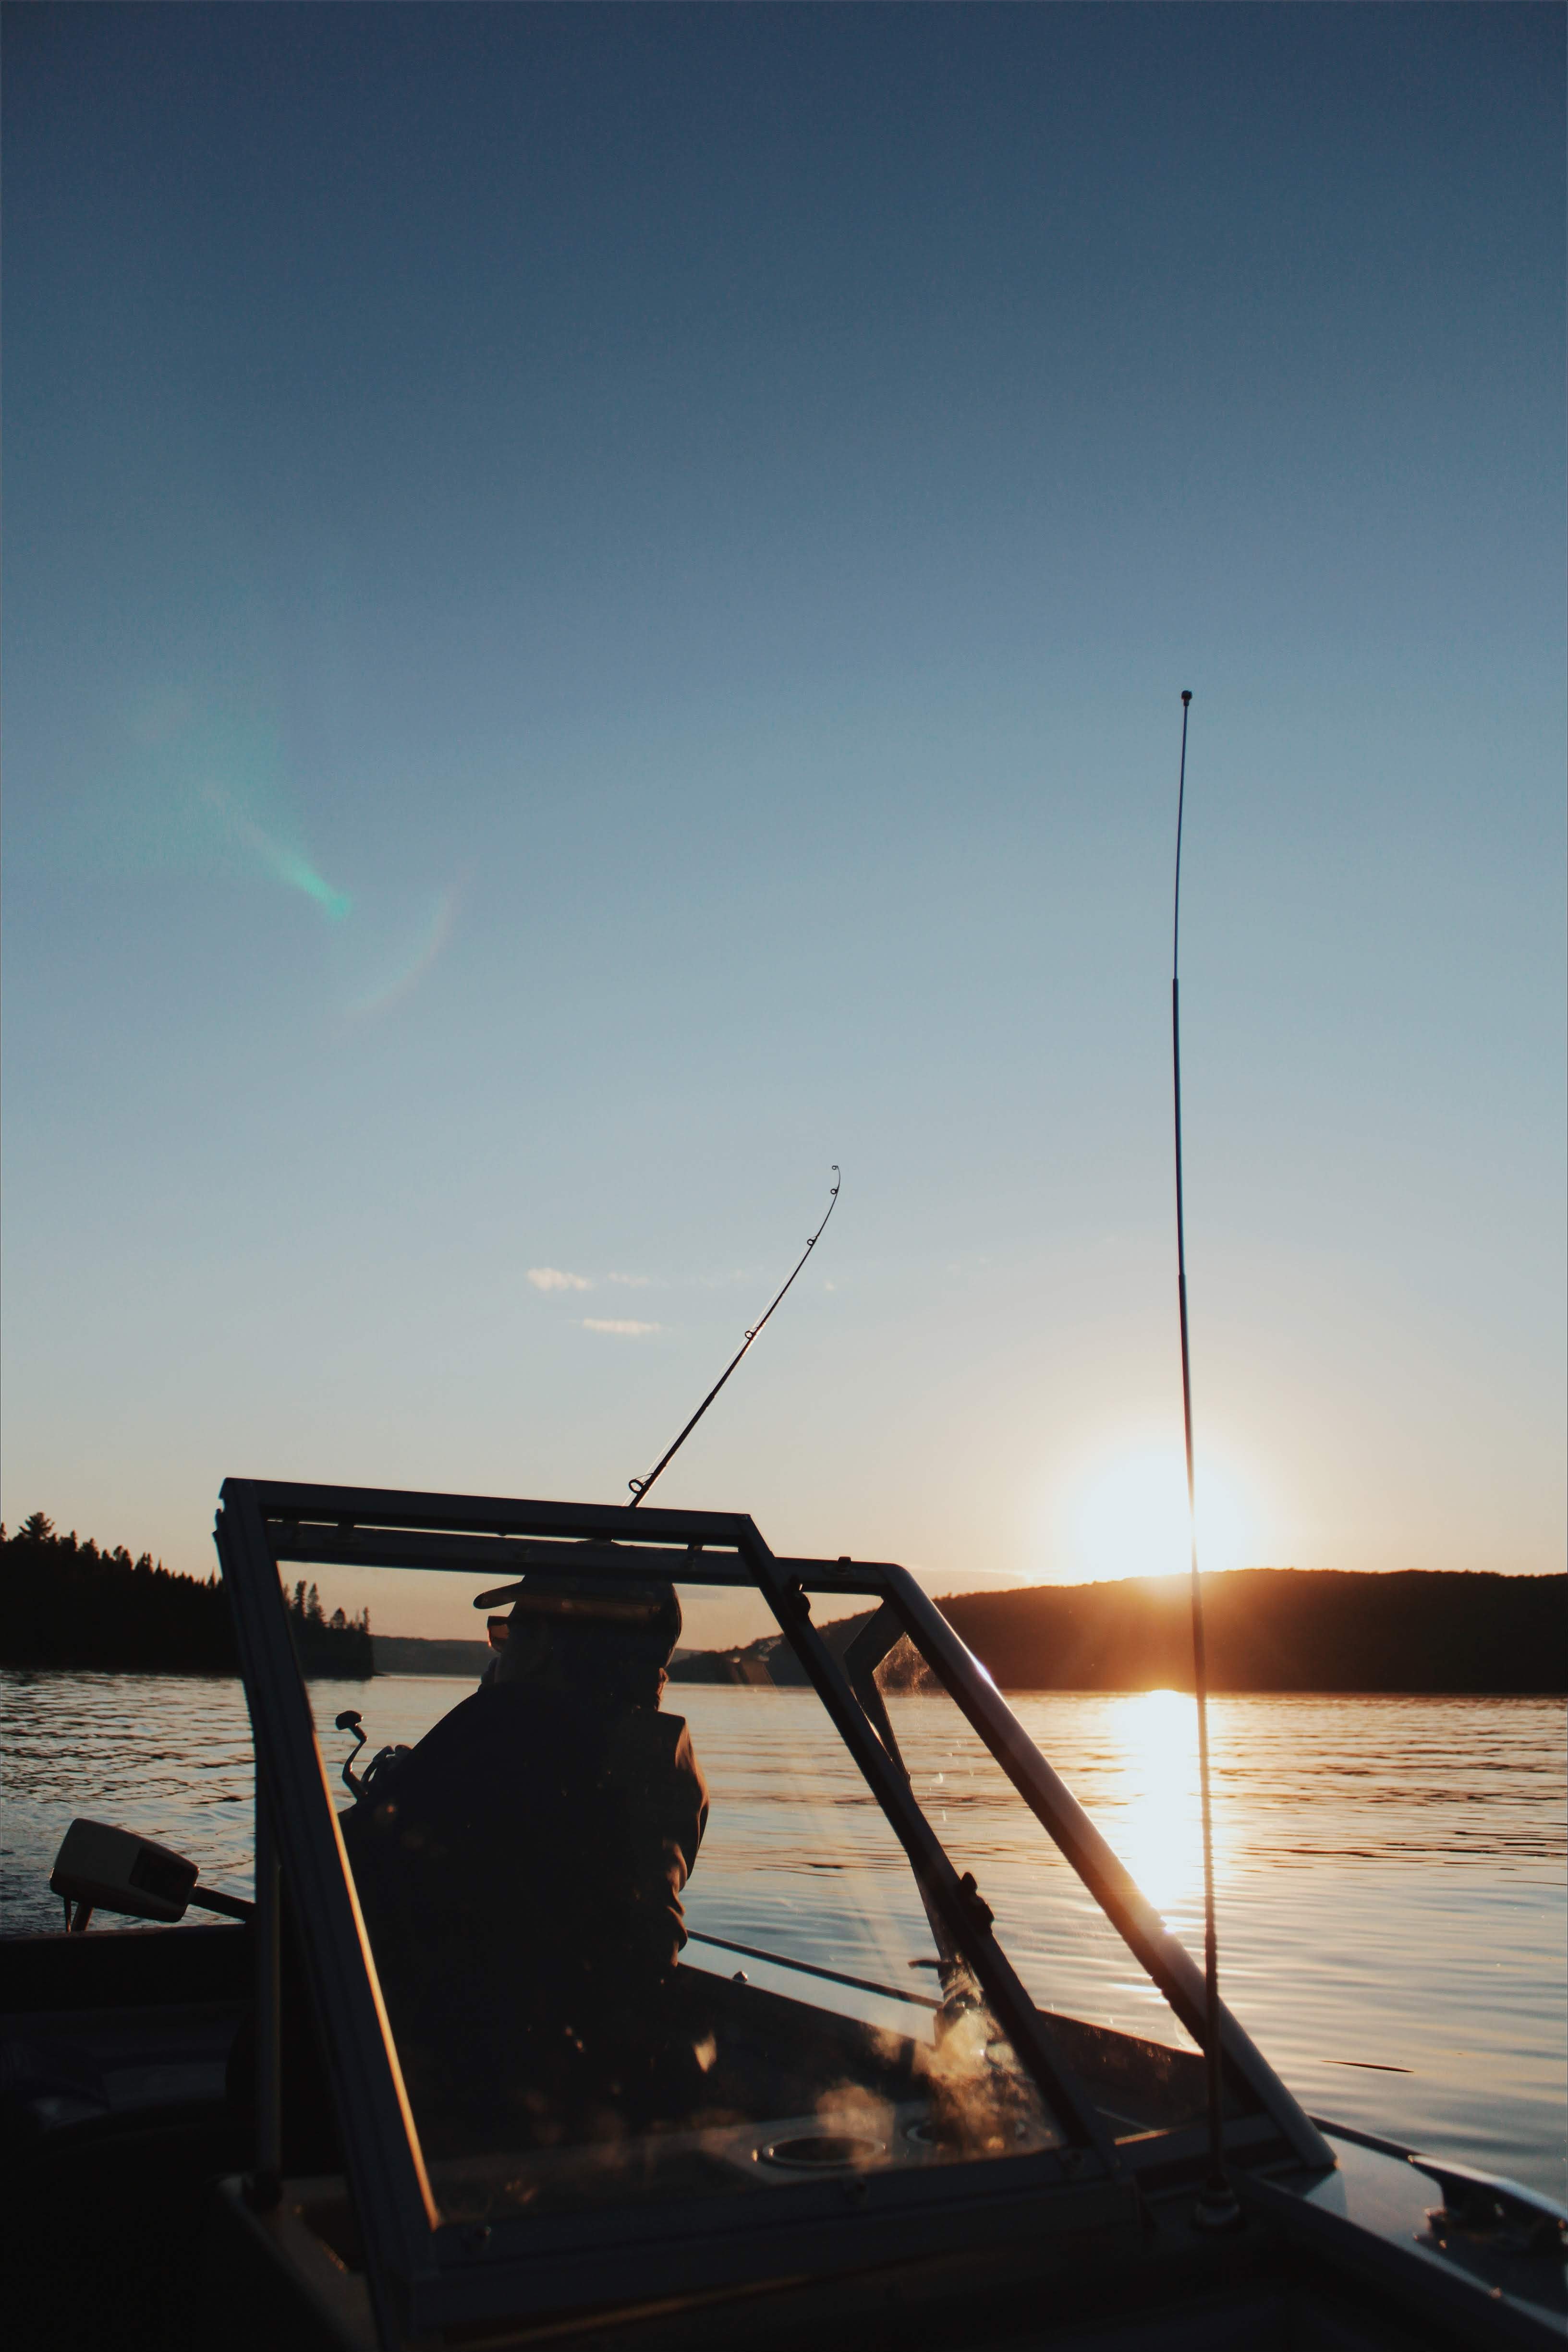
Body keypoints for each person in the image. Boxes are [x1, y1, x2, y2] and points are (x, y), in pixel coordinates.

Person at [341, 1573, 708, 2151]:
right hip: (597, 2085)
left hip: (470, 2096)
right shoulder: (667, 1760)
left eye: (507, 1635)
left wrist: (404, 1788)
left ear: (542, 1648)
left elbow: (332, 1872)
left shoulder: (499, 1727)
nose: (501, 1649)